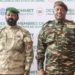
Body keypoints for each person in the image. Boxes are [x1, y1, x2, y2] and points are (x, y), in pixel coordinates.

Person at [37, 1, 75, 75]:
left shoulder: (73, 26)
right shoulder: (46, 27)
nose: (59, 11)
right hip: (51, 71)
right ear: (53, 11)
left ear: (66, 12)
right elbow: (40, 50)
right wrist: (40, 68)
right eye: (57, 9)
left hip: (69, 70)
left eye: (62, 9)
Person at [0, 7, 33, 75]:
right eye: (8, 15)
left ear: (17, 17)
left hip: (18, 71)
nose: (10, 17)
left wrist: (27, 70)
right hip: (2, 71)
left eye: (13, 15)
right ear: (5, 17)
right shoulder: (1, 32)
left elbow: (29, 53)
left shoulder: (24, 33)